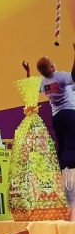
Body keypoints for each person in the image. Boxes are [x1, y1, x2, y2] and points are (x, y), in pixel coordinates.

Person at [22, 45, 75, 219]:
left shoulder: (43, 83)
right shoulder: (59, 77)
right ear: (52, 68)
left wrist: (28, 71)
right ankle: (70, 168)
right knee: (72, 143)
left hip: (57, 117)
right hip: (70, 113)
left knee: (62, 144)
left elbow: (31, 87)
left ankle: (63, 167)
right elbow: (74, 76)